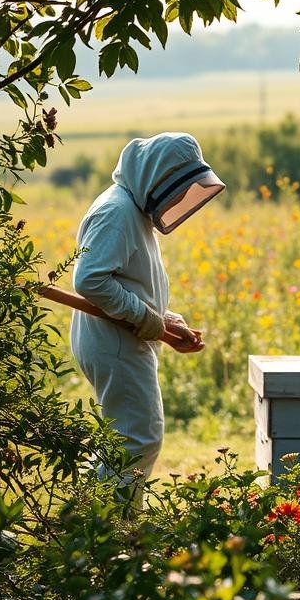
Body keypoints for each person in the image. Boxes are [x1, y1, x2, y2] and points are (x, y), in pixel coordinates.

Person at [70, 133, 225, 492]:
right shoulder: (117, 211)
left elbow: (129, 280)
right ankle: (111, 532)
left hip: (118, 337)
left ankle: (88, 515)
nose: (180, 198)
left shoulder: (130, 207)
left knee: (123, 437)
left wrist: (165, 321)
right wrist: (149, 320)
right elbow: (91, 280)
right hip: (115, 341)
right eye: (177, 188)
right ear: (157, 177)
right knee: (138, 439)